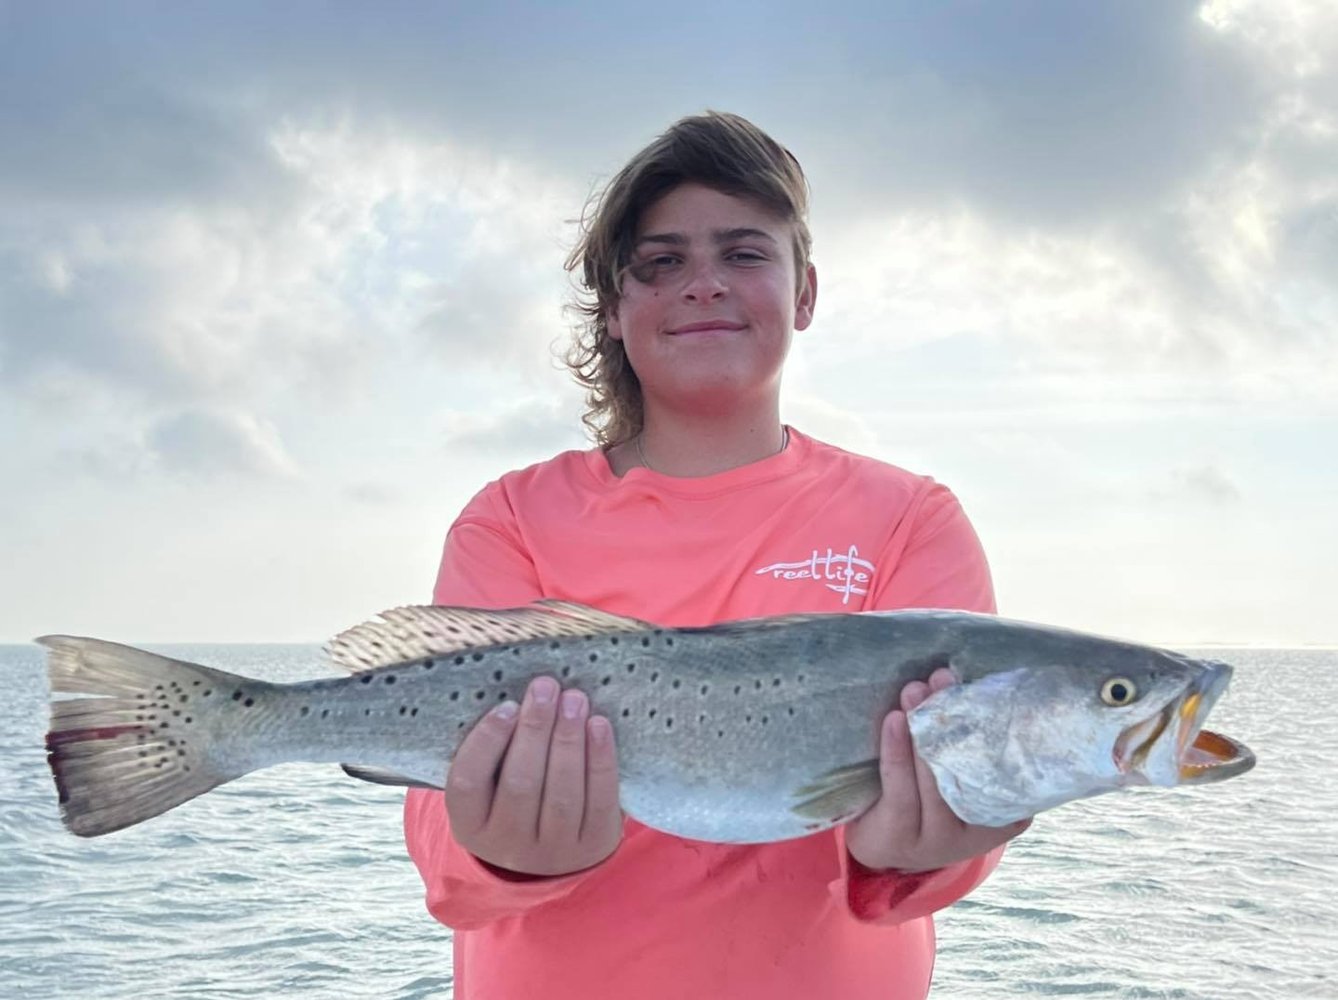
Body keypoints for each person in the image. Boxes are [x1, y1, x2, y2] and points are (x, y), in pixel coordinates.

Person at [404, 111, 1029, 1000]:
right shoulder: (509, 519)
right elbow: (443, 859)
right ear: (614, 312)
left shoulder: (910, 520)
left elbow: (918, 871)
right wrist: (503, 852)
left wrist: (930, 852)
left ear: (805, 291)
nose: (704, 285)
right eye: (662, 263)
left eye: (744, 254)